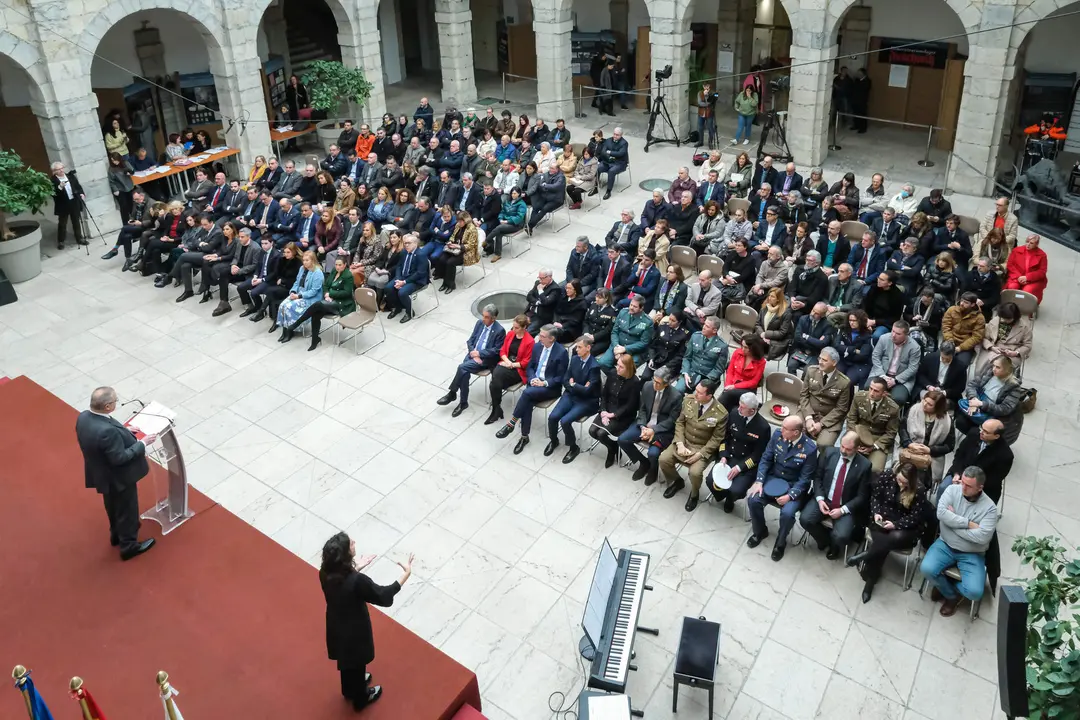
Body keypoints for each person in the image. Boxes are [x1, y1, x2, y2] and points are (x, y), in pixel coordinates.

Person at [319, 532, 413, 710]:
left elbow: (343, 584)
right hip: (355, 630)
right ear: (346, 555)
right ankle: (361, 698)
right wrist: (405, 575)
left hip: (335, 625)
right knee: (357, 661)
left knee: (346, 660)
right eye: (351, 543)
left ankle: (348, 689)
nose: (354, 542)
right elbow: (383, 595)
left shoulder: (325, 572)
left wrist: (356, 567)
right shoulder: (357, 581)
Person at [75, 386, 158, 561]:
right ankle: (129, 546)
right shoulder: (107, 432)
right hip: (119, 477)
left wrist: (125, 432)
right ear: (107, 407)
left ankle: (116, 536)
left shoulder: (83, 417)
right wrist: (142, 444)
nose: (116, 404)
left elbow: (101, 439)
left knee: (112, 506)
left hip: (101, 474)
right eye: (115, 401)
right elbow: (120, 457)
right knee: (127, 510)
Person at [922, 466, 998, 617]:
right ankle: (951, 596)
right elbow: (941, 513)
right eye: (962, 482)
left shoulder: (990, 509)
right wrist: (968, 524)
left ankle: (944, 585)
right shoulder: (952, 490)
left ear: (979, 488)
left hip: (972, 553)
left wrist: (952, 524)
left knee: (975, 592)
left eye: (968, 486)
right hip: (945, 544)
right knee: (926, 569)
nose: (963, 487)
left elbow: (982, 537)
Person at [845, 463, 926, 603]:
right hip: (883, 518)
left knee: (891, 538)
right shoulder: (888, 476)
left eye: (904, 482)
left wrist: (896, 525)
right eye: (899, 479)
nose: (900, 483)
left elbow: (915, 517)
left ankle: (867, 559)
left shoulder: (919, 490)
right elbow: (875, 496)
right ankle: (869, 580)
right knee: (883, 544)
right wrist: (876, 513)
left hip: (903, 526)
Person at [746, 416, 818, 561]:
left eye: (785, 428)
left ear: (796, 432)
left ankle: (780, 541)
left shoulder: (809, 449)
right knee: (753, 499)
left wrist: (790, 496)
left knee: (787, 513)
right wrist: (759, 481)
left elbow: (805, 479)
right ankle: (760, 531)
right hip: (773, 480)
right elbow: (766, 458)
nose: (781, 429)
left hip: (793, 486)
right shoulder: (778, 435)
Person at [495, 325, 568, 454]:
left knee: (526, 394)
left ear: (551, 339)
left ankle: (512, 423)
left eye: (542, 336)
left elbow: (560, 377)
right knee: (527, 401)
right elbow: (530, 367)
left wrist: (543, 383)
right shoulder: (537, 346)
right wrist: (532, 379)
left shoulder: (561, 353)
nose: (539, 337)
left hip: (549, 388)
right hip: (533, 384)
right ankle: (524, 437)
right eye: (540, 334)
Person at [799, 431, 873, 559]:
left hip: (845, 505)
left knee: (841, 536)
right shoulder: (829, 453)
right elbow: (817, 477)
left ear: (856, 449)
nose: (843, 451)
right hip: (825, 498)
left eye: (848, 449)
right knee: (805, 519)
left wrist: (843, 510)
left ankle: (835, 545)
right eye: (842, 446)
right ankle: (825, 540)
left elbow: (862, 496)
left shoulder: (864, 466)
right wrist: (820, 499)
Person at [658, 380, 728, 512]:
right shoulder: (689, 400)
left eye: (700, 393)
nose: (696, 394)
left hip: (702, 448)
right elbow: (680, 422)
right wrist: (679, 443)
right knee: (663, 459)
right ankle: (677, 481)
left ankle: (694, 494)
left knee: (695, 472)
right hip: (684, 442)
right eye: (696, 390)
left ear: (709, 396)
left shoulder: (720, 413)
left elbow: (717, 438)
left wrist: (700, 454)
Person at [704, 392, 771, 513]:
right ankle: (721, 496)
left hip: (745, 463)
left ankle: (730, 499)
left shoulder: (763, 427)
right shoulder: (734, 413)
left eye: (742, 408)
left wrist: (739, 468)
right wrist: (723, 456)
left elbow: (758, 454)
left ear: (752, 410)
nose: (739, 408)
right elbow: (725, 437)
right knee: (710, 481)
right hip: (729, 457)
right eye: (739, 405)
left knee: (736, 490)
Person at [544, 334, 603, 464]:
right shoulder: (575, 359)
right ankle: (554, 441)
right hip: (571, 395)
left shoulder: (594, 366)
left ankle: (573, 447)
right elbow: (566, 379)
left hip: (586, 401)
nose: (576, 349)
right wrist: (575, 387)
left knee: (565, 421)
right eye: (576, 347)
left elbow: (589, 391)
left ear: (588, 348)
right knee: (553, 417)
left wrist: (574, 384)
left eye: (580, 347)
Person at [618, 367, 682, 485]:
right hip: (645, 424)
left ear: (666, 384)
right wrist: (642, 426)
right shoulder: (647, 386)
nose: (654, 384)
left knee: (653, 453)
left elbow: (672, 420)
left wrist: (653, 430)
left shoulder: (676, 397)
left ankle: (653, 469)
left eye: (658, 383)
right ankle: (643, 463)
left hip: (661, 430)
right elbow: (642, 409)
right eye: (654, 380)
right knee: (622, 439)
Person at [940, 419, 1013, 504]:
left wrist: (969, 484)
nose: (981, 432)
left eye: (986, 432)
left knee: (970, 505)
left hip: (982, 486)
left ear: (996, 436)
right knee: (943, 488)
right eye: (981, 428)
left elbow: (994, 479)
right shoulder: (974, 434)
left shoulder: (1005, 455)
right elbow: (959, 455)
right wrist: (957, 473)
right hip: (960, 473)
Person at [588, 353, 642, 466]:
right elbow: (604, 395)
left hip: (623, 415)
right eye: (617, 365)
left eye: (621, 367)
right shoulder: (613, 373)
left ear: (628, 368)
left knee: (601, 433)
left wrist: (612, 415)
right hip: (607, 409)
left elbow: (631, 405)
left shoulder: (635, 382)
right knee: (592, 431)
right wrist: (603, 411)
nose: (617, 368)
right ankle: (613, 446)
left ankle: (611, 451)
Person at [956, 355, 1025, 438]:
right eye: (993, 366)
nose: (993, 369)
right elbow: (972, 385)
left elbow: (1005, 409)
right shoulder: (989, 373)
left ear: (1006, 370)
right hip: (977, 403)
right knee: (960, 421)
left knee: (975, 432)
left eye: (998, 367)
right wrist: (973, 399)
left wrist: (981, 404)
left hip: (993, 415)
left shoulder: (1014, 387)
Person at [797, 347, 851, 449]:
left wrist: (821, 424)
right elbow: (803, 395)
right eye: (820, 358)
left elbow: (841, 409)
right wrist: (808, 418)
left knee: (824, 445)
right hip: (807, 411)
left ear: (834, 363)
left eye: (825, 360)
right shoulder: (811, 371)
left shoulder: (844, 382)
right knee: (793, 429)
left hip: (829, 419)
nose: (820, 362)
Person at [485, 314, 535, 425]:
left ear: (524, 328)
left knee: (495, 378)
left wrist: (512, 365)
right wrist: (507, 362)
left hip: (518, 369)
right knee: (496, 378)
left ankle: (496, 410)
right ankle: (496, 409)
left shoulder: (530, 341)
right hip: (506, 363)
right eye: (513, 327)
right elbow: (502, 351)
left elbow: (526, 362)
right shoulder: (511, 334)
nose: (514, 329)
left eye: (517, 327)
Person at [898, 389, 955, 484]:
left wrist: (930, 450)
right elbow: (902, 429)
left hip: (930, 455)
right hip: (910, 449)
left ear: (938, 407)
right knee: (904, 473)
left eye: (930, 404)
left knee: (921, 480)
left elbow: (949, 446)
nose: (924, 404)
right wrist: (909, 444)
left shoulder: (947, 422)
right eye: (925, 400)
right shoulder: (914, 410)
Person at [846, 377, 900, 472]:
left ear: (884, 393)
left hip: (878, 440)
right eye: (870, 388)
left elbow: (891, 433)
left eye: (876, 391)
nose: (871, 393)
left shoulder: (892, 408)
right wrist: (854, 440)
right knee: (846, 460)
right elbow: (851, 420)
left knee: (875, 469)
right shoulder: (859, 397)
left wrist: (874, 446)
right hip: (858, 434)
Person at [275, 250, 325, 342]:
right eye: (304, 260)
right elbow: (297, 282)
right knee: (282, 305)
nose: (304, 262)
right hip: (298, 293)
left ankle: (290, 331)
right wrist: (293, 291)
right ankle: (285, 330)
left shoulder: (318, 272)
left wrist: (298, 296)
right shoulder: (302, 268)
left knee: (289, 307)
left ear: (313, 260)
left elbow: (313, 292)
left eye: (307, 260)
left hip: (310, 298)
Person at [868, 320, 920, 405]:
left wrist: (896, 380)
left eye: (898, 334)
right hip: (881, 373)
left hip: (901, 378)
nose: (893, 335)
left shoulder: (915, 347)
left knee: (898, 398)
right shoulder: (884, 338)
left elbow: (913, 368)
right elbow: (875, 356)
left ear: (906, 335)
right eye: (893, 331)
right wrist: (882, 375)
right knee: (868, 389)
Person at [975, 302, 1032, 374]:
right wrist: (991, 347)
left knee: (1002, 370)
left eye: (1007, 319)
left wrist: (1016, 353)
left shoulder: (1025, 327)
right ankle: (978, 381)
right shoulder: (995, 321)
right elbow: (984, 338)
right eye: (1002, 317)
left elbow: (1027, 345)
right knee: (982, 369)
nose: (1003, 320)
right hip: (993, 348)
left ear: (1015, 317)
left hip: (1011, 352)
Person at [598, 295, 654, 369]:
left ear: (641, 308)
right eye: (631, 305)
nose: (631, 307)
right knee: (602, 363)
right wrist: (616, 347)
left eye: (635, 306)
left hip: (633, 351)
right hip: (617, 345)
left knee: (626, 368)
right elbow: (614, 331)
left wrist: (625, 349)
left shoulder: (647, 322)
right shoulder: (623, 312)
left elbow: (644, 342)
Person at [384, 234, 429, 324]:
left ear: (415, 243)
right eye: (405, 243)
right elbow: (399, 266)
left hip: (416, 280)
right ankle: (398, 307)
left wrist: (404, 282)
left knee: (402, 292)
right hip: (403, 277)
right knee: (388, 288)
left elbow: (420, 273)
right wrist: (398, 279)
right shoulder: (404, 252)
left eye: (408, 243)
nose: (406, 245)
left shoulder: (421, 255)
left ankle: (409, 312)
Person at [717, 335, 765, 409]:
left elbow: (753, 382)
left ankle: (716, 412)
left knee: (727, 396)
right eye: (742, 346)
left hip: (747, 389)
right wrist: (728, 386)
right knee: (727, 397)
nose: (742, 349)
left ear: (753, 348)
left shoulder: (761, 362)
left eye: (746, 347)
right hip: (732, 384)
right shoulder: (737, 353)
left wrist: (734, 387)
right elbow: (730, 372)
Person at [641, 311, 691, 381]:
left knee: (657, 381)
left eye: (673, 321)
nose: (670, 322)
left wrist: (667, 366)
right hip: (656, 359)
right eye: (669, 319)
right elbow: (652, 345)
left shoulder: (684, 334)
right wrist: (651, 358)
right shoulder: (663, 326)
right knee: (644, 377)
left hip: (669, 363)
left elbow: (680, 355)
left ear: (679, 322)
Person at [941, 292, 986, 369]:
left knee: (960, 366)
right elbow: (946, 327)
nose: (962, 303)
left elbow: (977, 337)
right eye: (962, 300)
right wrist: (950, 341)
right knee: (939, 360)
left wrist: (961, 348)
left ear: (972, 304)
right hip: (949, 341)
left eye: (966, 302)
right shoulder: (952, 310)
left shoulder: (979, 318)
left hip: (965, 346)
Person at [787, 302, 834, 375]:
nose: (812, 313)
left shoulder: (827, 325)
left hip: (815, 354)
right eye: (813, 310)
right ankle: (794, 385)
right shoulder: (803, 319)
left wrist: (807, 337)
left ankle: (803, 386)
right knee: (791, 366)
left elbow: (823, 344)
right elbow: (797, 337)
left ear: (822, 315)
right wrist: (816, 342)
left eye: (816, 313)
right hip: (801, 350)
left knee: (808, 371)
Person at [749, 287, 793, 362]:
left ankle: (754, 367)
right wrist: (762, 334)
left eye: (772, 296)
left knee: (754, 345)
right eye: (769, 295)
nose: (769, 298)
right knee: (747, 340)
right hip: (762, 336)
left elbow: (782, 333)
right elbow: (757, 324)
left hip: (776, 341)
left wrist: (766, 335)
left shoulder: (786, 313)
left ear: (778, 299)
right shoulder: (765, 306)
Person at [50, 161, 87, 249]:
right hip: (63, 204)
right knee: (62, 223)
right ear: (54, 171)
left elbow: (78, 186)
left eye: (62, 168)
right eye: (58, 169)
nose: (61, 170)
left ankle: (79, 238)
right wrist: (60, 187)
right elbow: (53, 194)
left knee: (76, 221)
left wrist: (81, 193)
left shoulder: (70, 176)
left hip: (74, 201)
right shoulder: (52, 180)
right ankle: (61, 241)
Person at [485, 186, 527, 261]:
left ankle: (487, 240)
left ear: (519, 194)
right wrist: (500, 218)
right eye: (512, 193)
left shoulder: (522, 204)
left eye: (515, 193)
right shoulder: (508, 201)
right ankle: (498, 254)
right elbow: (502, 211)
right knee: (499, 232)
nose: (513, 195)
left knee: (500, 228)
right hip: (505, 223)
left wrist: (507, 221)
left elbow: (519, 217)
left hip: (516, 224)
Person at [1004, 233, 1048, 302]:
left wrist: (1027, 277)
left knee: (1026, 292)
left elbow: (1042, 271)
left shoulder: (1042, 255)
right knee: (1012, 287)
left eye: (1031, 243)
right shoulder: (1017, 250)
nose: (1028, 244)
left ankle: (1023, 306)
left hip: (1033, 280)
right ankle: (1012, 304)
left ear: (1036, 244)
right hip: (1016, 277)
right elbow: (1010, 264)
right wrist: (1019, 277)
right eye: (1027, 241)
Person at [863, 271, 905, 337]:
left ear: (890, 283)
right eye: (878, 278)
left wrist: (875, 322)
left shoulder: (897, 295)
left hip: (884, 324)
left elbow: (894, 318)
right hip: (868, 319)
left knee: (876, 336)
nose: (878, 281)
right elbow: (865, 305)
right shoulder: (874, 288)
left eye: (882, 280)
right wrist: (866, 320)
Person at [595, 127, 629, 199]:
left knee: (611, 171)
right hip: (608, 161)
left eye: (617, 135)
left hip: (619, 163)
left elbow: (621, 153)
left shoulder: (624, 143)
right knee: (598, 168)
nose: (615, 136)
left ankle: (608, 191)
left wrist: (610, 152)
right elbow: (603, 151)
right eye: (614, 134)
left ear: (621, 135)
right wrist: (609, 157)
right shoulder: (608, 140)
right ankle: (595, 187)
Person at [584, 288, 619, 357]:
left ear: (606, 299)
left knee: (588, 352)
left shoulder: (613, 311)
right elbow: (586, 321)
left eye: (599, 298)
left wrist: (594, 337)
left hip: (602, 339)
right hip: (589, 335)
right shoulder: (593, 305)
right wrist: (586, 332)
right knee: (576, 350)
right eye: (596, 296)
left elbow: (608, 330)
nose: (596, 299)